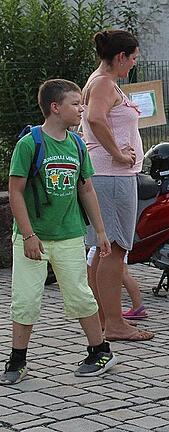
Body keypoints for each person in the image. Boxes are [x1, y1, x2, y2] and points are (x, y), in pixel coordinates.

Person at [1, 79, 117, 385]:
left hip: (68, 234)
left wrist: (101, 232)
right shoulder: (31, 144)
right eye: (76, 104)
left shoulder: (77, 144)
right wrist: (27, 234)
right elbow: (15, 191)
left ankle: (99, 351)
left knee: (79, 295)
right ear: (56, 107)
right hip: (33, 237)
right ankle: (17, 360)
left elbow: (87, 189)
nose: (82, 109)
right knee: (25, 299)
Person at [81, 29, 153, 341]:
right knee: (113, 249)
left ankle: (102, 318)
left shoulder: (100, 82)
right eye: (133, 58)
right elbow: (96, 119)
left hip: (108, 176)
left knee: (103, 250)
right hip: (111, 177)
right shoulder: (104, 83)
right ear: (121, 56)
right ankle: (114, 322)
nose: (134, 65)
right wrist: (118, 154)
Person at [86, 246, 147, 319]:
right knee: (123, 273)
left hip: (106, 243)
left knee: (91, 271)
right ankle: (138, 305)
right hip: (116, 244)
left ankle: (98, 309)